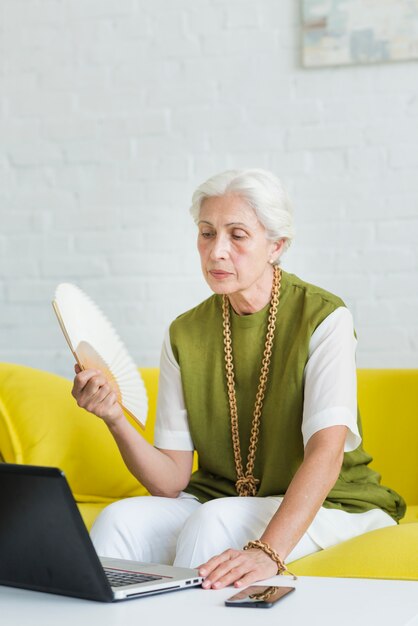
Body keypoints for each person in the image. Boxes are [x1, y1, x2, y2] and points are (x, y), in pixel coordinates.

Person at [72, 169, 405, 590]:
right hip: (222, 497)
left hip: (334, 502)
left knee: (212, 524)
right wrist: (114, 416)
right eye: (207, 233)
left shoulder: (324, 317)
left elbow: (326, 453)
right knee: (119, 519)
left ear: (276, 246)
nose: (217, 252)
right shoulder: (185, 333)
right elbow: (171, 480)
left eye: (238, 235)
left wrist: (268, 552)